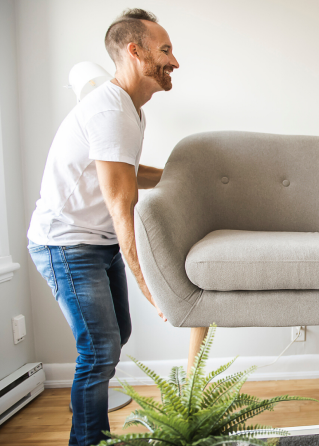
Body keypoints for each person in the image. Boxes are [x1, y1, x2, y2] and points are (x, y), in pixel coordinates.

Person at [27, 9, 179, 446]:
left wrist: (178, 175)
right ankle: (87, 441)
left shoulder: (131, 110)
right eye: (165, 50)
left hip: (96, 242)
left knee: (115, 336)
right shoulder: (110, 110)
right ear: (135, 51)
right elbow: (121, 204)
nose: (175, 61)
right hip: (67, 244)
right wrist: (151, 288)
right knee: (99, 349)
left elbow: (126, 171)